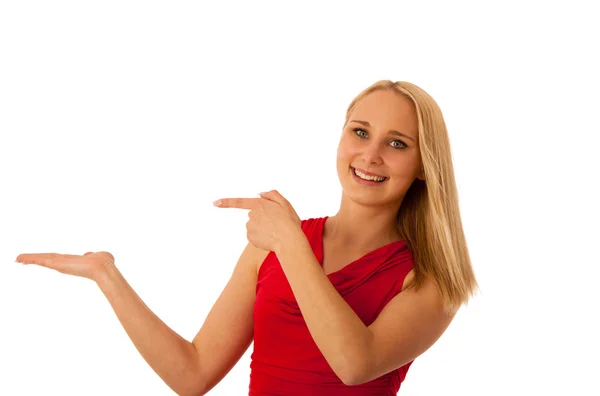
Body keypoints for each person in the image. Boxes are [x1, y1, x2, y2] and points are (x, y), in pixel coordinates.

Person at [15, 79, 478, 395]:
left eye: (397, 143)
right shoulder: (275, 247)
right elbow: (192, 374)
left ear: (423, 168)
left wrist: (292, 246)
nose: (371, 154)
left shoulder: (432, 281)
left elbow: (354, 365)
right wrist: (107, 276)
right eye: (360, 132)